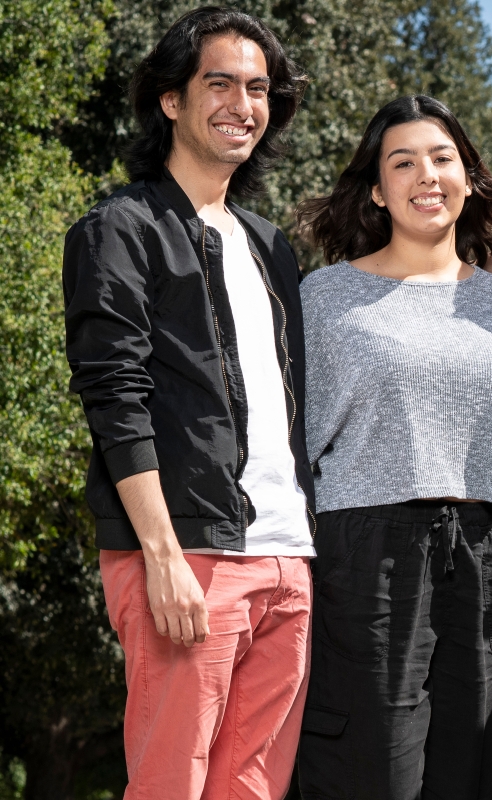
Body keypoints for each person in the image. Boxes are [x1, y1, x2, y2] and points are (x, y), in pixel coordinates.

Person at [61, 8, 312, 798]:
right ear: (171, 99)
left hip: (287, 556)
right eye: (221, 84)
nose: (243, 103)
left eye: (258, 88)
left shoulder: (272, 246)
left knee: (253, 789)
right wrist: (162, 556)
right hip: (187, 559)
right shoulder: (119, 229)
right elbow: (114, 396)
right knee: (172, 784)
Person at [291, 95, 492, 799]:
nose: (427, 174)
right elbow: (297, 440)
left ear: (468, 176)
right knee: (373, 771)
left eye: (442, 157)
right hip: (367, 548)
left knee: (475, 768)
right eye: (403, 162)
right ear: (376, 189)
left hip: (485, 548)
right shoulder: (325, 296)